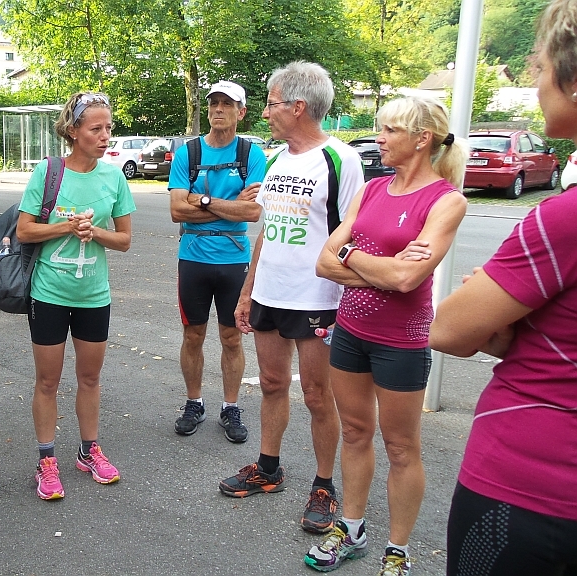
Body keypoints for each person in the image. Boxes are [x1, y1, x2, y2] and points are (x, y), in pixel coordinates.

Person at [431, 1, 577, 573]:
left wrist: (504, 327)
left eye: (541, 69)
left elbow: (449, 329)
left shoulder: (561, 219)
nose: (537, 85)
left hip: (530, 488)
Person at [306, 96, 467, 576]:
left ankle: (397, 550)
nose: (379, 137)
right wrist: (378, 265)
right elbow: (323, 261)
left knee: (401, 447)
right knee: (355, 432)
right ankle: (350, 529)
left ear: (422, 139)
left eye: (389, 130)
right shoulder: (373, 189)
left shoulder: (446, 200)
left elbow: (406, 282)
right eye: (379, 128)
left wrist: (353, 257)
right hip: (350, 330)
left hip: (402, 340)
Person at [222, 61, 365, 536]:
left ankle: (324, 485)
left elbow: (353, 235)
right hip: (269, 291)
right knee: (270, 382)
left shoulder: (341, 159)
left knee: (318, 394)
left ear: (299, 107)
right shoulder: (280, 158)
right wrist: (247, 290)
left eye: (271, 103)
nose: (265, 112)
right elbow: (268, 231)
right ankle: (268, 468)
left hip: (317, 297)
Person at [16, 92, 135, 501]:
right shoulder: (47, 173)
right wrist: (66, 228)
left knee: (90, 377)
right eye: (95, 129)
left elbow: (124, 240)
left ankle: (88, 451)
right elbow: (24, 231)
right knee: (47, 381)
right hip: (49, 292)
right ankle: (46, 461)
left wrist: (94, 232)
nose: (105, 136)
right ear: (73, 131)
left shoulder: (114, 177)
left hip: (93, 294)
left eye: (108, 128)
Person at [168, 81, 265, 442]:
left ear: (241, 112)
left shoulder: (251, 154)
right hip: (193, 256)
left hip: (233, 258)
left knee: (231, 338)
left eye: (227, 104)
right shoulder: (188, 154)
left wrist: (203, 202)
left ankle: (230, 406)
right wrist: (228, 208)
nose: (218, 109)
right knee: (192, 335)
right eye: (214, 103)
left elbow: (252, 212)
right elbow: (177, 210)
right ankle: (194, 402)